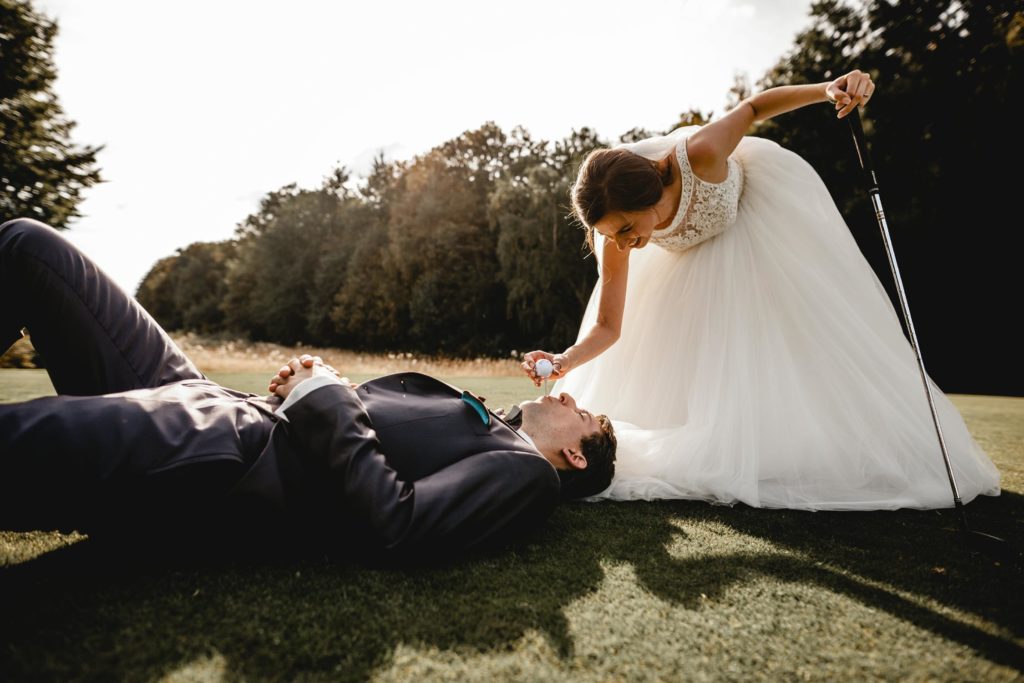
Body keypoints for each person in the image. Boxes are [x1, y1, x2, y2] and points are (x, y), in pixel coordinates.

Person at [0, 218, 616, 562]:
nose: (568, 396)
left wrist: (323, 395)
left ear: (575, 455)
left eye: (582, 413)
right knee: (30, 248)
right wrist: (321, 386)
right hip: (214, 399)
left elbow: (398, 522)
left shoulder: (528, 474)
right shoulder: (495, 425)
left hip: (232, 455)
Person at [521, 69, 1000, 509]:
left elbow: (752, 108)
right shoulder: (617, 240)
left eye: (627, 228)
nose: (624, 243)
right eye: (612, 235)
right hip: (688, 269)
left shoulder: (701, 154)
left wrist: (826, 91)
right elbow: (608, 326)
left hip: (756, 226)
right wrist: (565, 360)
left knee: (799, 341)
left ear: (648, 194)